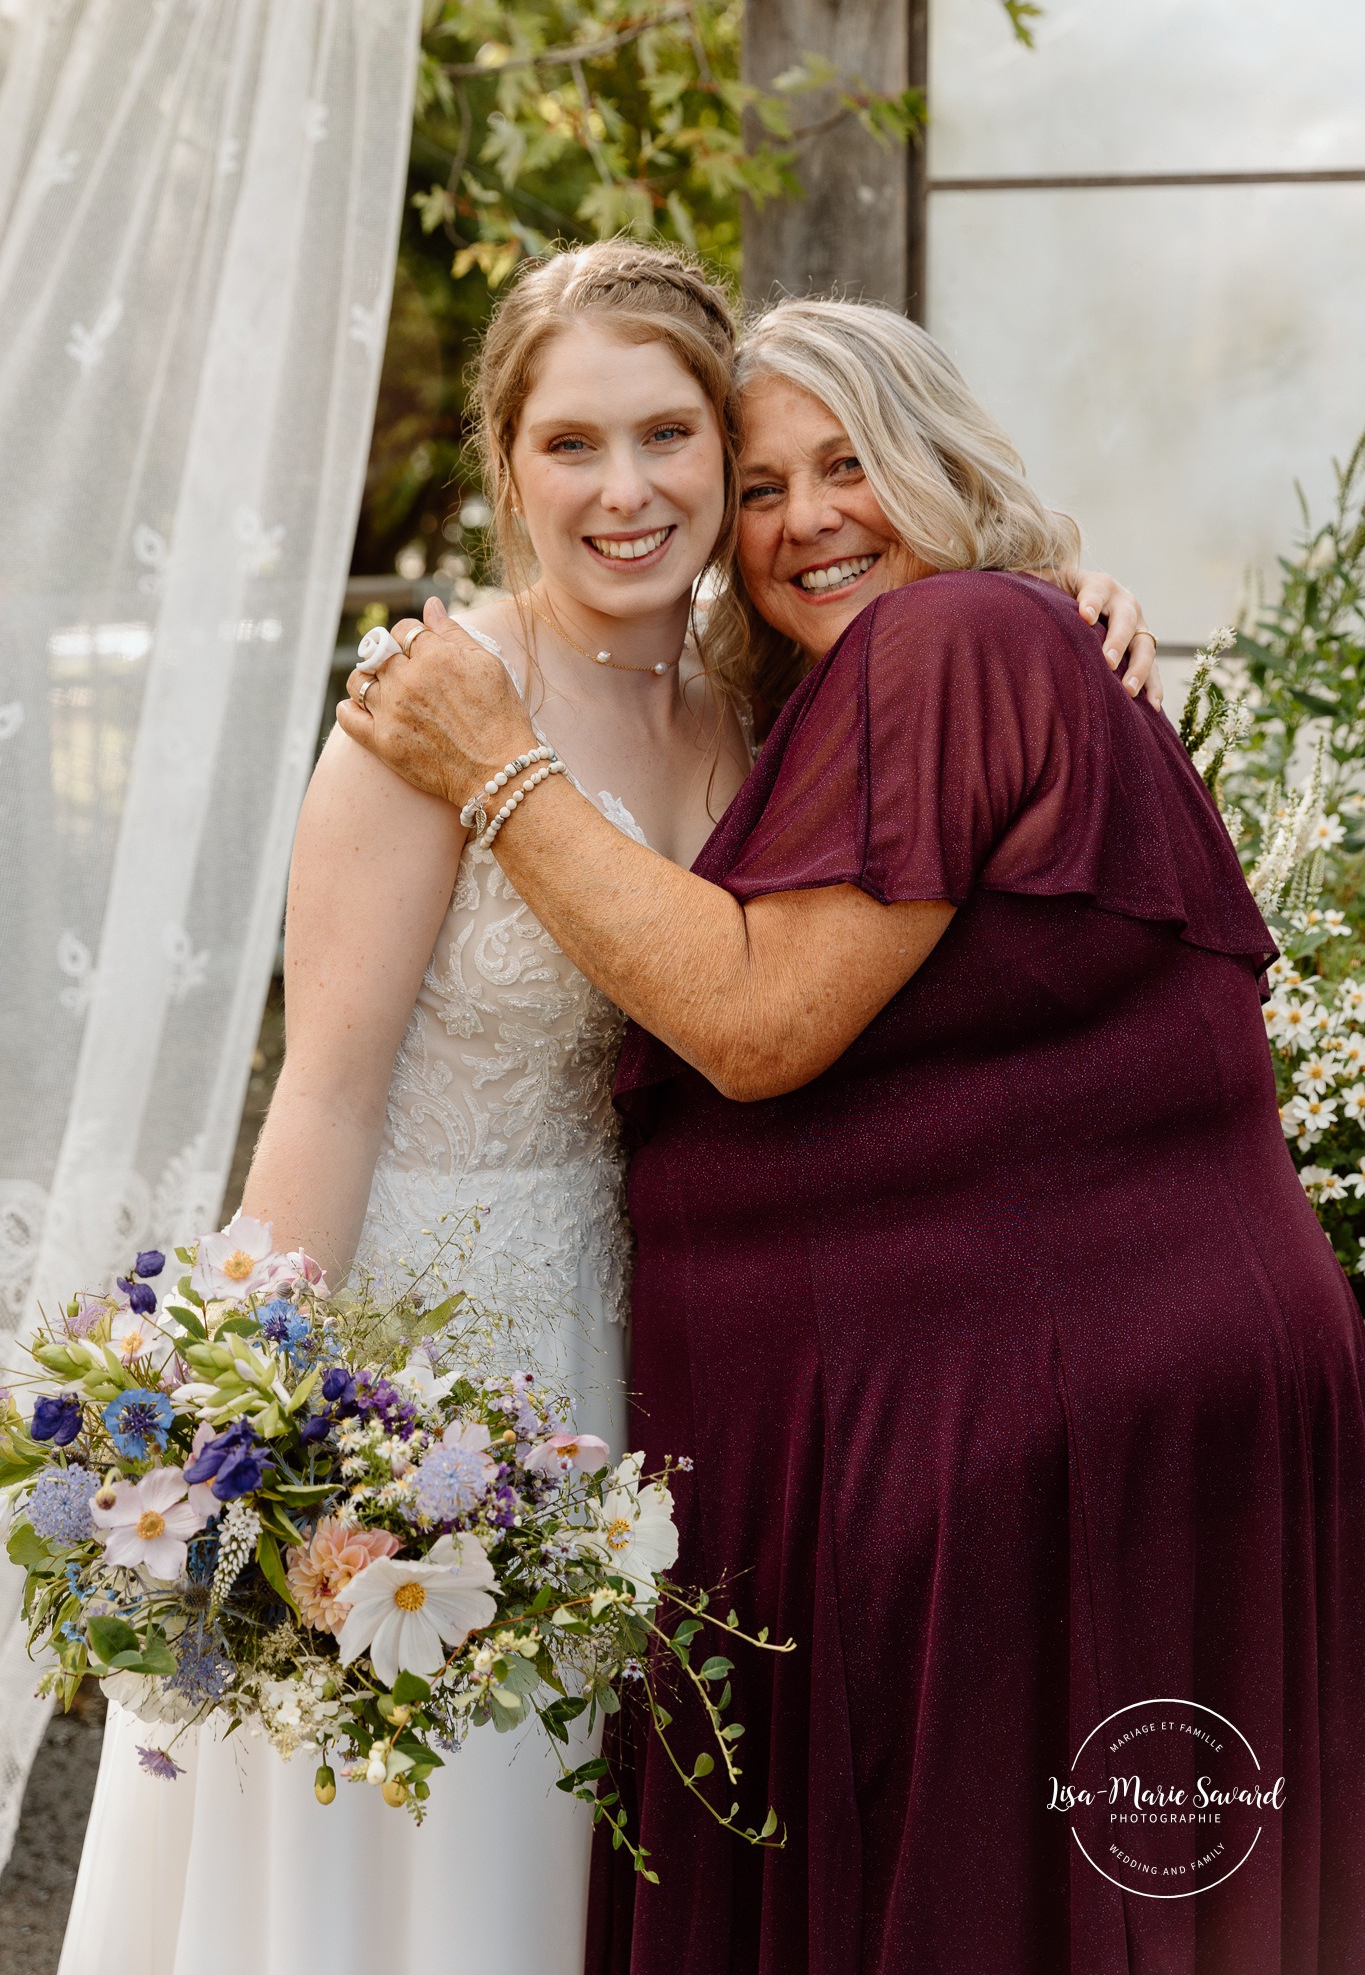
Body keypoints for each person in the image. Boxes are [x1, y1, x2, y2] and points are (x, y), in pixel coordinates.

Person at [57, 248, 1150, 1975]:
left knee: (578, 1850)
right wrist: (258, 1437)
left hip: (639, 1366)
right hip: (414, 1358)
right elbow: (324, 1094)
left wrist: (1063, 598)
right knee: (395, 1813)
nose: (625, 490)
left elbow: (924, 683)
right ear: (506, 468)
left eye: (666, 437)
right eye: (571, 443)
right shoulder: (424, 712)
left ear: (720, 451)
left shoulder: (765, 699)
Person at [338, 295, 1365, 1975]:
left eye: (850, 464)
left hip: (1048, 1424)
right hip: (1076, 1409)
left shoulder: (946, 642)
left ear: (937, 459)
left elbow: (752, 1024)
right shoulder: (898, 673)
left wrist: (494, 761)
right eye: (759, 487)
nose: (806, 517)